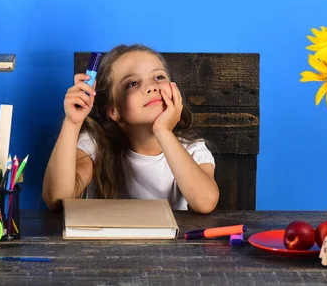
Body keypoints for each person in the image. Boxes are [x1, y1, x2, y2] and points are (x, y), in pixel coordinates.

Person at [42, 44, 219, 213]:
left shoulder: (193, 150)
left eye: (159, 77)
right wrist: (72, 123)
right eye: (132, 83)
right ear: (114, 110)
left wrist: (163, 132)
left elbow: (205, 202)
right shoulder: (95, 145)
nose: (151, 87)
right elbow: (57, 199)